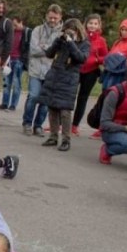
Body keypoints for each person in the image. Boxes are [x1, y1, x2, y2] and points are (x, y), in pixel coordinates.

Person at [39, 18, 90, 152]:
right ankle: (53, 136)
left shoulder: (84, 44)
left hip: (69, 79)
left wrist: (71, 42)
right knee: (52, 108)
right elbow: (49, 53)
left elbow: (81, 58)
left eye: (71, 31)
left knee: (65, 111)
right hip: (55, 76)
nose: (68, 34)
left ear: (78, 31)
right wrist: (58, 41)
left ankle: (66, 139)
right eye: (66, 31)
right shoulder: (61, 41)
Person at [23, 4, 62, 136]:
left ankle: (38, 125)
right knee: (33, 96)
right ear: (46, 16)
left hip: (51, 72)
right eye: (50, 17)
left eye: (55, 18)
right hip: (35, 70)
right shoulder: (37, 30)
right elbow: (33, 50)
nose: (52, 20)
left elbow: (59, 53)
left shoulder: (62, 34)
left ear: (60, 17)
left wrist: (44, 47)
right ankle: (27, 123)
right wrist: (50, 49)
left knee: (45, 101)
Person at [71, 14, 108, 135]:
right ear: (85, 24)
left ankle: (74, 126)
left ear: (99, 25)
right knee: (69, 96)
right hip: (76, 69)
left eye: (95, 24)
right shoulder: (79, 36)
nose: (92, 26)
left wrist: (97, 60)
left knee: (82, 99)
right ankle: (60, 123)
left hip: (91, 72)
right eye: (90, 23)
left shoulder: (101, 41)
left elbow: (105, 57)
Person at [0, 15, 31, 112]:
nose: (13, 27)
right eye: (12, 25)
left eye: (15, 25)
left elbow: (29, 47)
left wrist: (23, 60)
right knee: (6, 82)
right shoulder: (10, 32)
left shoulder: (27, 32)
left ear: (21, 22)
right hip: (9, 60)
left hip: (19, 60)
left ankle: (13, 104)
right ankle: (5, 102)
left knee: (16, 83)